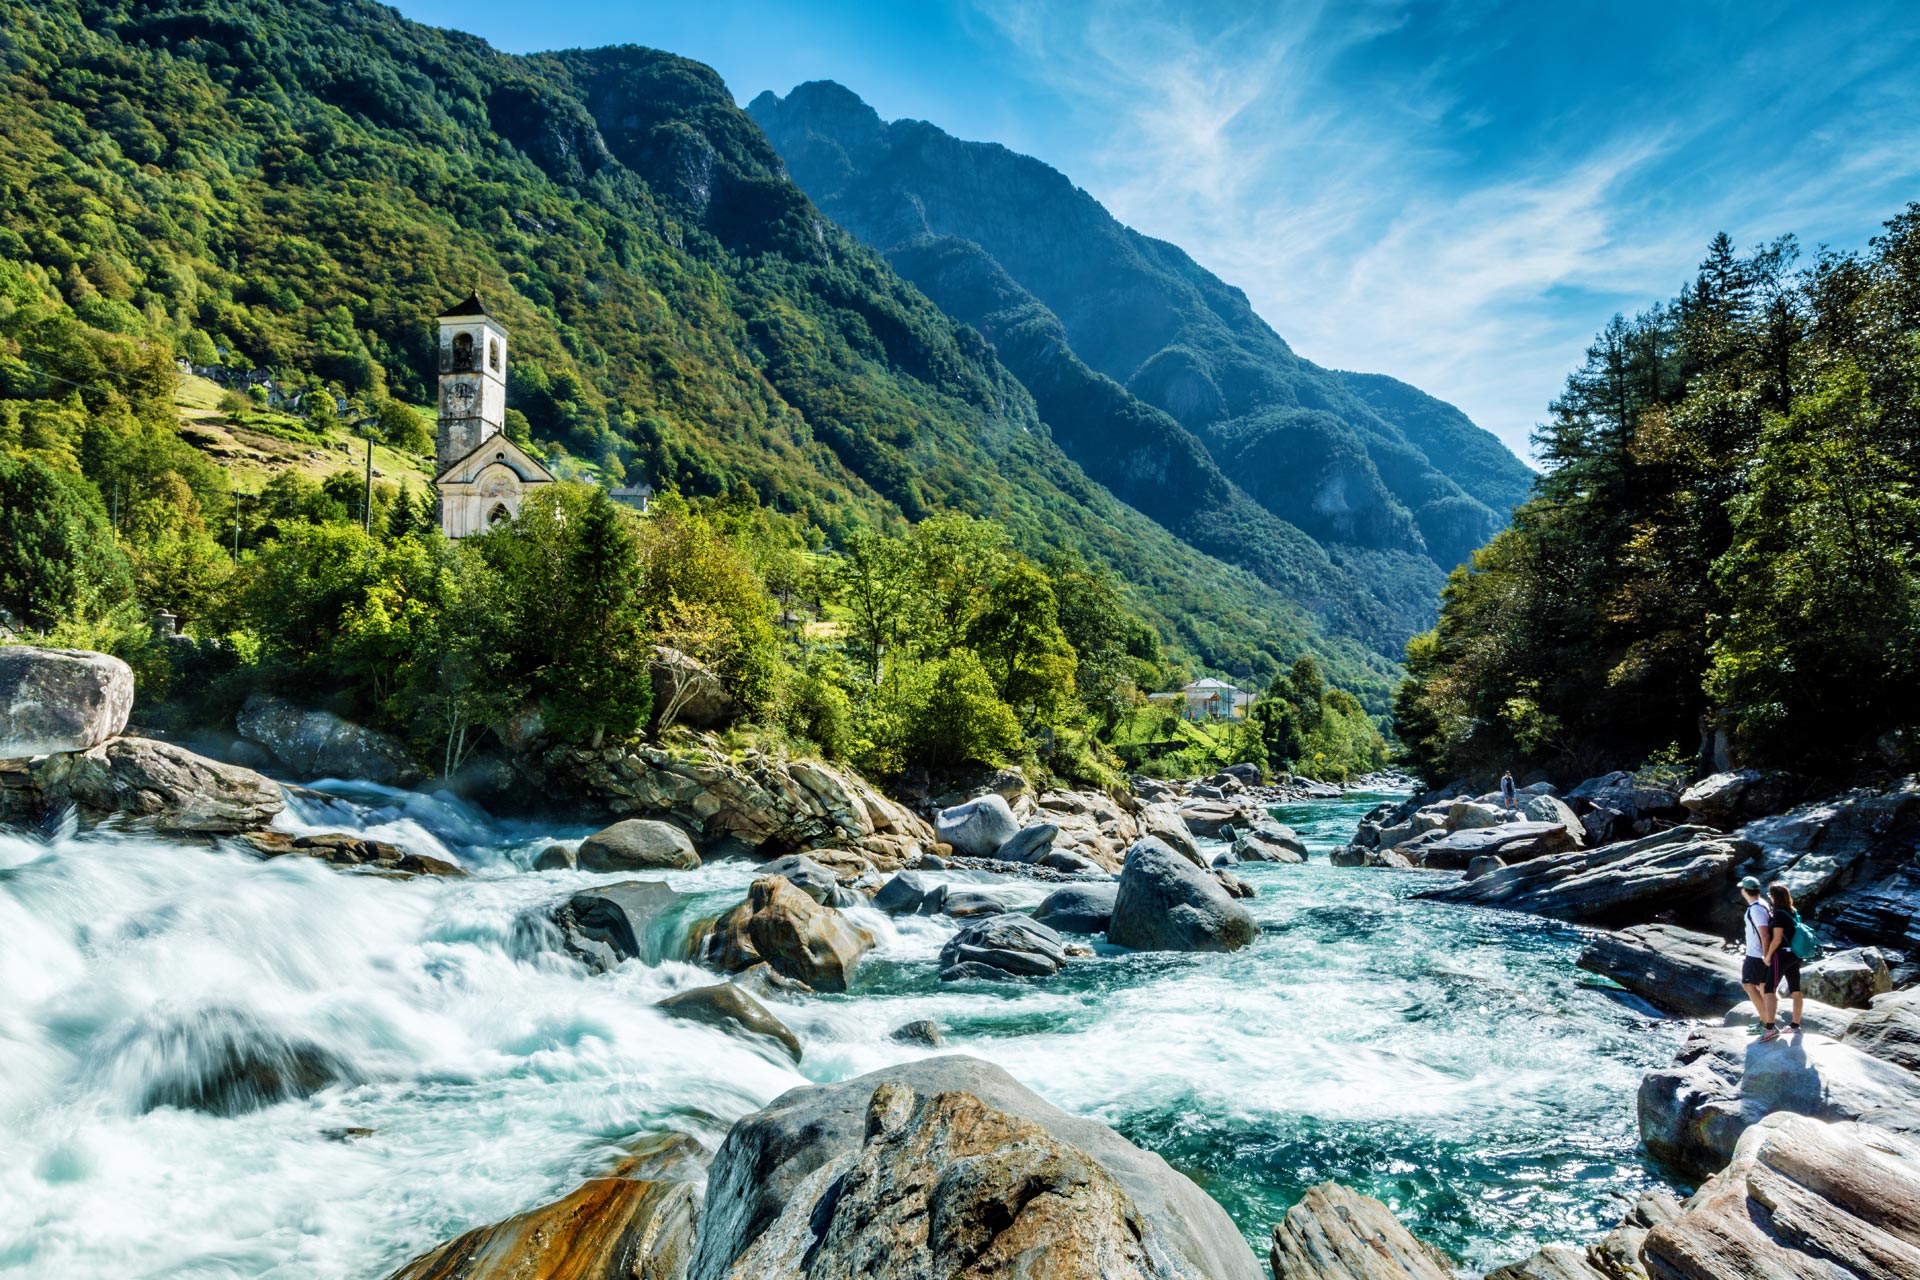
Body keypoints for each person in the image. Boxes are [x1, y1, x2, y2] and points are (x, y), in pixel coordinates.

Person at [1737, 875, 1777, 1040]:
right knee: (1761, 986)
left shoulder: (1756, 908)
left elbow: (1765, 934)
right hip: (1759, 954)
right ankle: (1767, 1024)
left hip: (1756, 955)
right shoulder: (1763, 904)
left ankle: (1767, 1023)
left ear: (1745, 891)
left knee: (1748, 985)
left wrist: (1765, 955)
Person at [1764, 882, 1806, 1037]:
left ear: (1775, 897)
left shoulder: (1780, 914)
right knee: (1796, 990)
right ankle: (1795, 1026)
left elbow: (1776, 939)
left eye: (1770, 896)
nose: (1769, 898)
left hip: (1781, 955)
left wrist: (1768, 956)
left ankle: (1770, 1027)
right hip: (1795, 955)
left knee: (1769, 989)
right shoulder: (1793, 911)